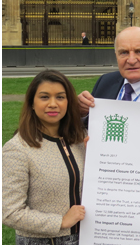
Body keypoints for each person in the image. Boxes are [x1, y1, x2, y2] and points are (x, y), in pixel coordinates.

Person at [3, 70, 87, 244]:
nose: (53, 104)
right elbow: (9, 212)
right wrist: (60, 221)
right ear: (32, 103)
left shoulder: (81, 140)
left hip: (86, 238)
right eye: (44, 97)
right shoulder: (17, 149)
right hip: (45, 241)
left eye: (60, 97)